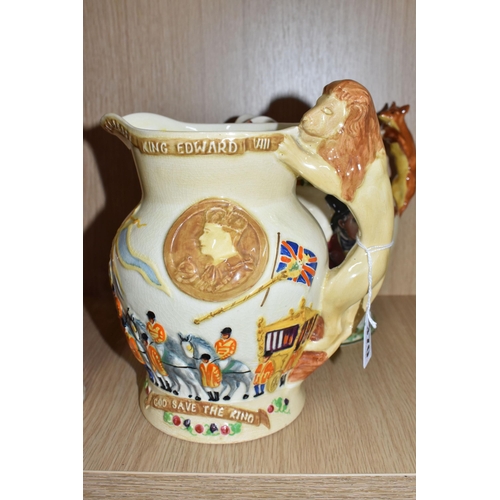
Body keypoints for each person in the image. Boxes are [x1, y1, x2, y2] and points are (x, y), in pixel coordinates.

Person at [325, 195, 358, 268]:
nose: (359, 226)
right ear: (342, 223)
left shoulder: (363, 242)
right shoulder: (331, 245)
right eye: (355, 221)